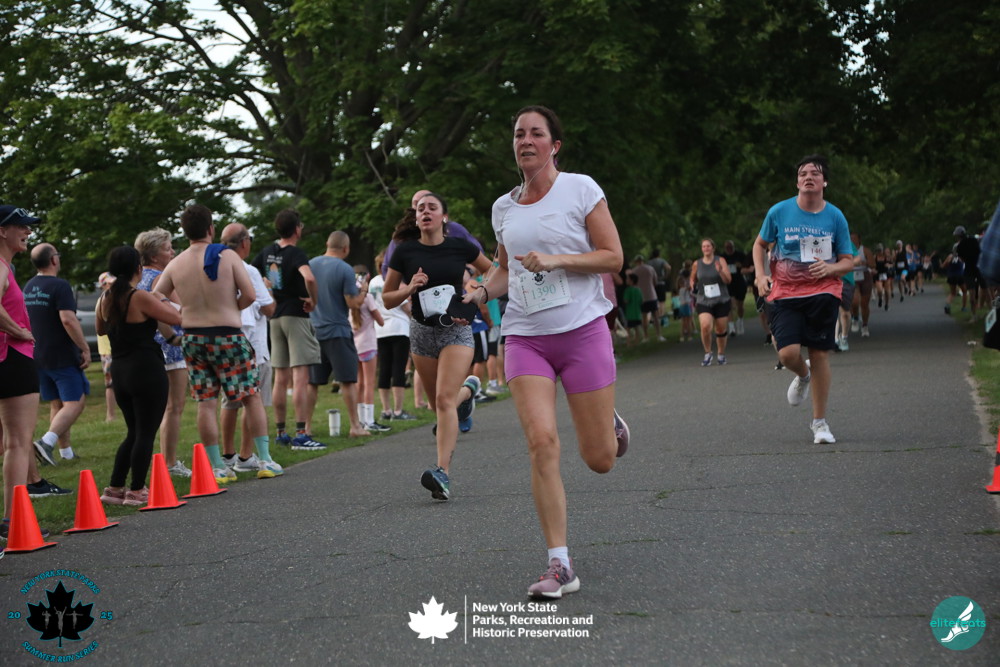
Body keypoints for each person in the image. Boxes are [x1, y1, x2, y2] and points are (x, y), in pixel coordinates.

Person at [468, 105, 629, 599]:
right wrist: (482, 291)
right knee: (541, 441)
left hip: (582, 330)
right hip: (525, 336)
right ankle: (560, 564)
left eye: (536, 133)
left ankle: (608, 421)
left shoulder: (581, 189)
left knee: (600, 459)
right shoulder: (503, 208)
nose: (525, 140)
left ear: (554, 145)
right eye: (519, 133)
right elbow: (505, 269)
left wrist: (557, 259)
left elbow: (613, 256)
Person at [383, 192, 493, 501]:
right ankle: (468, 392)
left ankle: (442, 473)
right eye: (421, 208)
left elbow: (493, 269)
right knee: (438, 405)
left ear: (444, 216)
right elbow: (387, 298)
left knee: (444, 401)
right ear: (416, 218)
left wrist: (477, 293)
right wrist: (409, 288)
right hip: (421, 332)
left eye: (432, 207)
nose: (426, 211)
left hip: (455, 330)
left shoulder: (460, 246)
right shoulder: (405, 252)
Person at [154, 204, 269, 483]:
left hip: (194, 338)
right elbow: (250, 295)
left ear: (185, 231)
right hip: (228, 335)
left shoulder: (176, 263)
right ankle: (265, 459)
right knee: (250, 396)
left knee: (206, 403)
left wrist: (176, 321)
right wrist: (229, 306)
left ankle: (217, 466)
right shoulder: (227, 256)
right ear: (211, 229)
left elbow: (156, 296)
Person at [752, 155, 854, 445]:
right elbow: (759, 245)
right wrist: (760, 275)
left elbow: (847, 260)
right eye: (803, 173)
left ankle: (819, 423)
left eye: (815, 173)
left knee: (820, 353)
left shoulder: (835, 216)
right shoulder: (779, 211)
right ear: (797, 182)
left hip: (823, 292)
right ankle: (803, 374)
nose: (808, 177)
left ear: (825, 182)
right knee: (787, 354)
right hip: (785, 292)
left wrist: (831, 269)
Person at [96, 246, 184, 506]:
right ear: (138, 269)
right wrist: (161, 298)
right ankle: (137, 490)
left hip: (120, 370)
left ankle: (114, 488)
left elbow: (100, 330)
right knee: (146, 432)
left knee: (134, 431)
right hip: (146, 369)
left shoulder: (106, 298)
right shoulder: (139, 297)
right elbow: (176, 317)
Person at [251, 209, 323, 449]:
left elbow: (251, 273)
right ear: (297, 229)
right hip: (296, 314)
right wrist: (313, 300)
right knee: (300, 376)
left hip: (275, 316)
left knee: (280, 377)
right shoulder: (295, 253)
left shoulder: (267, 251)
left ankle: (281, 432)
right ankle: (301, 433)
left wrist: (267, 290)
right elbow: (309, 278)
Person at [218, 223, 283, 478]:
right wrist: (267, 288)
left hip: (224, 340)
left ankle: (227, 455)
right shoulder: (249, 270)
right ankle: (246, 456)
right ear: (245, 242)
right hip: (252, 344)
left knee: (229, 402)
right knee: (253, 400)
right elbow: (268, 308)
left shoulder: (215, 267)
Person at [0, 206, 48, 543]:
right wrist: (17, 330)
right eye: (21, 226)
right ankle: (13, 520)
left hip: (8, 359)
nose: (28, 232)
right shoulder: (0, 266)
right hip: (13, 359)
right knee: (18, 443)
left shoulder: (7, 266)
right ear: (2, 231)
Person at [23, 243, 91, 465]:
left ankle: (66, 452)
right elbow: (68, 319)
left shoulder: (28, 287)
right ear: (53, 259)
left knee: (57, 403)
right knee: (75, 402)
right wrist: (84, 347)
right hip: (61, 355)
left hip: (37, 354)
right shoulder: (60, 285)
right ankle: (46, 443)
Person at [134, 228, 191, 477]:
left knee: (154, 408)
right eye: (168, 249)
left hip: (148, 347)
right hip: (170, 347)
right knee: (174, 406)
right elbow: (181, 309)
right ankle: (169, 462)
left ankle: (157, 461)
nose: (173, 252)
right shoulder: (161, 278)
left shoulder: (139, 278)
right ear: (155, 255)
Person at [307, 231, 370, 439]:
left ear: (327, 243)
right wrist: (364, 291)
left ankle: (305, 427)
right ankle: (355, 426)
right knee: (347, 380)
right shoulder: (344, 269)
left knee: (312, 383)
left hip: (313, 331)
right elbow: (353, 303)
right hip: (338, 332)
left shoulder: (310, 265)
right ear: (346, 248)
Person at [369, 249, 417, 423]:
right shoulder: (394, 282)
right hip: (399, 327)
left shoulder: (373, 282)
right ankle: (398, 410)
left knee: (384, 369)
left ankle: (386, 409)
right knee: (398, 369)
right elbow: (405, 307)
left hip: (380, 329)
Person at [351, 263, 388, 432]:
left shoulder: (349, 298)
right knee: (369, 383)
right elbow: (380, 321)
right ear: (366, 277)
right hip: (368, 344)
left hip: (354, 344)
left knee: (358, 383)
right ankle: (370, 420)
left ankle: (360, 419)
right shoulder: (368, 298)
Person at [691, 238, 732, 366]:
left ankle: (721, 354)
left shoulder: (720, 260)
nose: (706, 248)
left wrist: (720, 271)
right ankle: (708, 353)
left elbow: (728, 280)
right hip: (704, 300)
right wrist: (692, 285)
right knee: (705, 326)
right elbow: (692, 278)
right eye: (704, 246)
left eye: (708, 246)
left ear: (713, 248)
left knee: (720, 329)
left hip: (721, 299)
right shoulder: (697, 264)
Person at [96, 272, 117, 421]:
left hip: (117, 347)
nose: (111, 286)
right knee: (110, 384)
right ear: (102, 286)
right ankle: (110, 415)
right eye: (108, 284)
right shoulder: (103, 301)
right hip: (107, 350)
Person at [631, 255, 664, 341]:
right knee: (655, 316)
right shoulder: (650, 269)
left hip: (641, 296)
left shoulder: (634, 271)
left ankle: (646, 336)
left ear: (636, 262)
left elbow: (632, 284)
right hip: (651, 294)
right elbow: (655, 282)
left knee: (644, 317)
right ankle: (659, 335)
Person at [955, 225, 984, 322]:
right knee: (987, 289)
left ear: (958, 236)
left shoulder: (959, 246)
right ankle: (992, 312)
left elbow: (962, 259)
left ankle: (974, 315)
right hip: (978, 267)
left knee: (971, 293)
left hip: (969, 270)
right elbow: (980, 251)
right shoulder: (973, 240)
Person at [848, 231, 875, 338]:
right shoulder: (846, 250)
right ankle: (855, 317)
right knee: (854, 301)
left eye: (854, 238)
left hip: (865, 276)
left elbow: (873, 264)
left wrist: (865, 262)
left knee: (864, 303)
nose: (852, 240)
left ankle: (865, 325)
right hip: (852, 276)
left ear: (859, 240)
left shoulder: (865, 250)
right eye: (850, 239)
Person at [721, 240, 749, 335]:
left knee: (739, 305)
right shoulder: (722, 258)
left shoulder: (740, 255)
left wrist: (740, 265)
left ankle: (740, 320)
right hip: (728, 283)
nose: (729, 249)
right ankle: (731, 327)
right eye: (727, 247)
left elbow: (747, 266)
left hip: (739, 282)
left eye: (730, 247)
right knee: (729, 305)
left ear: (733, 247)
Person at [646, 248, 671, 323]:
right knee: (662, 301)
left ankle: (654, 317)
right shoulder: (661, 261)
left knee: (654, 301)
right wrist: (666, 276)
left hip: (652, 284)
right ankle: (661, 316)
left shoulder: (649, 262)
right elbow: (668, 267)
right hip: (661, 282)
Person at [622, 273, 644, 346]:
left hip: (630, 314)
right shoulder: (638, 290)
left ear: (632, 280)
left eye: (627, 279)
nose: (626, 280)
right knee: (636, 327)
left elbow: (626, 300)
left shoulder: (627, 290)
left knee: (628, 328)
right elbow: (641, 301)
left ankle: (628, 343)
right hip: (637, 313)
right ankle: (637, 341)